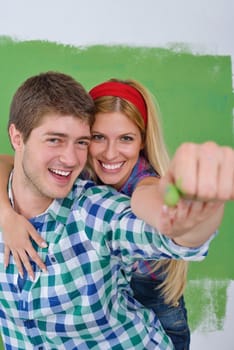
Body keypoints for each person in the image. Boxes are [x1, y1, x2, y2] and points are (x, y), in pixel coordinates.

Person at [0, 72, 232, 350]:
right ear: (17, 137)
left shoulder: (125, 192)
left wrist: (188, 213)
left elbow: (156, 217)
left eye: (80, 142)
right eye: (96, 138)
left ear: (142, 141)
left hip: (155, 300)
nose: (109, 154)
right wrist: (6, 215)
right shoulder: (73, 169)